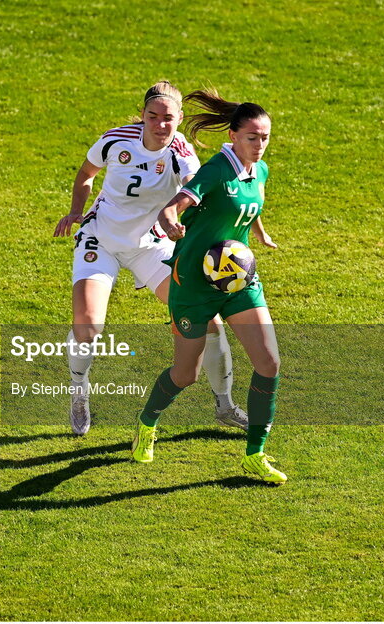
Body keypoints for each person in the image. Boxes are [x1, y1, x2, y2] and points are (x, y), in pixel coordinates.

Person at [54, 81, 247, 436]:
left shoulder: (181, 151)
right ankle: (78, 391)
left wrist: (184, 222)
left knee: (209, 323)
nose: (160, 125)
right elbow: (86, 174)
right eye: (152, 116)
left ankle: (225, 405)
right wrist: (75, 211)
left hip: (151, 246)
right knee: (87, 327)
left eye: (168, 119)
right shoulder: (116, 140)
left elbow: (194, 189)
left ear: (180, 119)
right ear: (143, 115)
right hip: (103, 239)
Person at [130, 89, 287, 484]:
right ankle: (147, 422)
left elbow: (248, 207)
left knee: (269, 362)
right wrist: (168, 218)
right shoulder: (216, 169)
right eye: (252, 137)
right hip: (194, 285)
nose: (260, 145)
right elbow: (179, 201)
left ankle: (255, 454)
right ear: (233, 135)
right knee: (186, 374)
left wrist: (260, 233)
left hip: (236, 278)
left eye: (265, 137)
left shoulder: (260, 170)